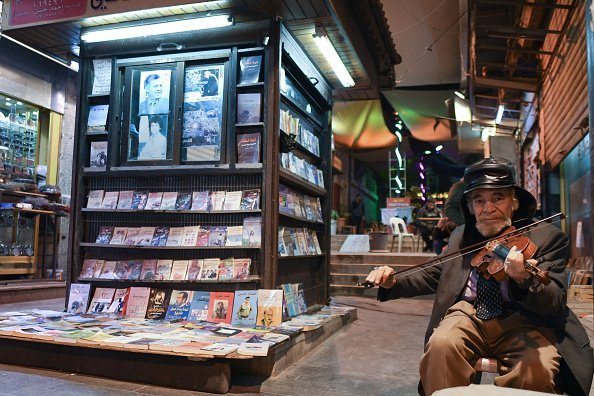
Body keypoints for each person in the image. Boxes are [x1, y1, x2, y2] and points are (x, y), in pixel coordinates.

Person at [365, 157, 593, 396]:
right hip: (468, 313)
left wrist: (523, 279)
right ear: (471, 207)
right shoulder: (461, 236)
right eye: (479, 200)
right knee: (441, 346)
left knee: (537, 367)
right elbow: (435, 273)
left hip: (524, 319)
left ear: (513, 202)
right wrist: (393, 281)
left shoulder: (547, 237)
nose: (488, 208)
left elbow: (554, 301)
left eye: (498, 198)